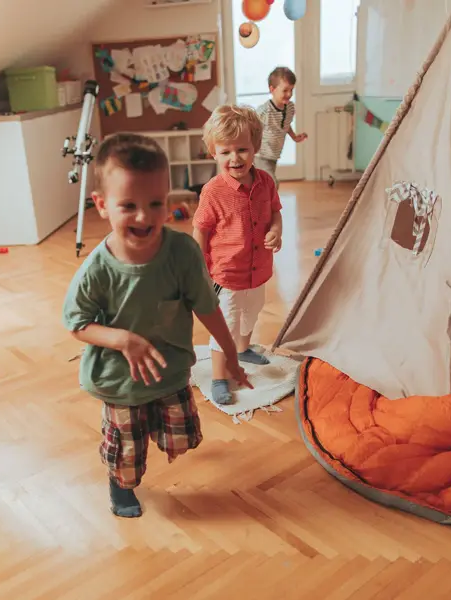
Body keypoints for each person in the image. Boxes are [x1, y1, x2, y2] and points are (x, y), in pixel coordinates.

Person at [62, 132, 251, 519]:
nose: (144, 216)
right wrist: (121, 339)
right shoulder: (97, 270)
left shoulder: (182, 254)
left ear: (169, 200)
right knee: (127, 451)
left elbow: (208, 307)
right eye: (128, 205)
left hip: (169, 371)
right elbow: (77, 324)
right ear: (101, 205)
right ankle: (121, 485)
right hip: (119, 379)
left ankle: (147, 432)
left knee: (180, 439)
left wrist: (231, 355)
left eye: (155, 203)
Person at [193, 105, 282, 406]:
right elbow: (201, 230)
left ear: (256, 147)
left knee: (251, 313)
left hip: (258, 271)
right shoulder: (213, 192)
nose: (235, 158)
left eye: (242, 149)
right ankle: (220, 376)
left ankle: (243, 349)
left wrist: (276, 231)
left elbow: (275, 213)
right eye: (226, 151)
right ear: (213, 154)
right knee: (225, 326)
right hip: (226, 275)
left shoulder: (266, 182)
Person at [255, 66, 308, 188]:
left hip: (273, 154)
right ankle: (269, 207)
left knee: (263, 185)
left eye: (291, 90)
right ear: (272, 89)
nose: (289, 94)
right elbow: (251, 127)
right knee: (272, 184)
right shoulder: (264, 111)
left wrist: (294, 137)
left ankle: (260, 205)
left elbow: (285, 125)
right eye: (285, 90)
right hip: (260, 155)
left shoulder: (290, 108)